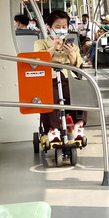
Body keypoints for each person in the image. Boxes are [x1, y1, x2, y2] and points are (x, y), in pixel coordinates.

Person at [33, 10, 86, 145]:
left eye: (64, 27)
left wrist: (72, 55)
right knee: (50, 95)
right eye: (57, 27)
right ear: (49, 28)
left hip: (68, 76)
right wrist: (52, 48)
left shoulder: (72, 45)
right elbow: (38, 62)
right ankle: (53, 129)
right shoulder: (40, 43)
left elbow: (77, 64)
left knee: (81, 92)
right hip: (49, 76)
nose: (61, 30)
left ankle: (78, 125)